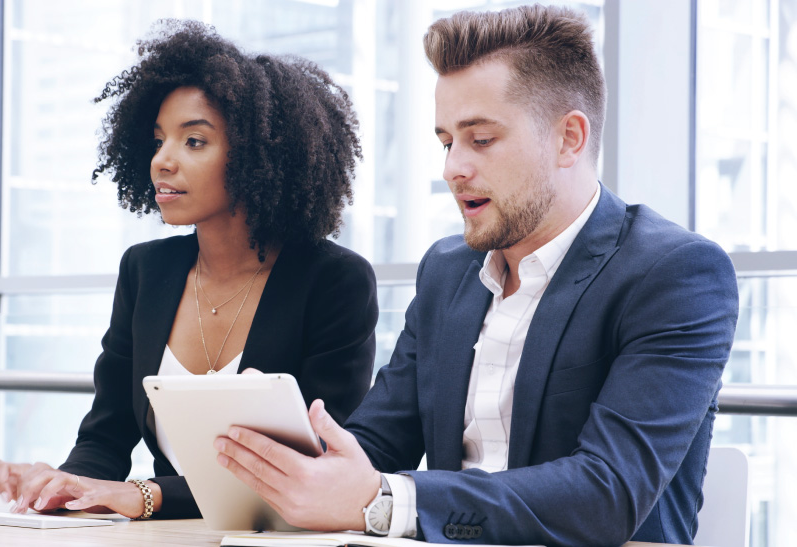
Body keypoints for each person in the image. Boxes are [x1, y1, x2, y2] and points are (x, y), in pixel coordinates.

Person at [215, 5, 739, 546]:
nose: (452, 168)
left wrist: (384, 499)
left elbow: (606, 495)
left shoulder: (674, 274)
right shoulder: (447, 272)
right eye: (446, 142)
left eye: (481, 139)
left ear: (569, 139)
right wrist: (276, 445)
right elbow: (374, 443)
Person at [0, 20, 378, 521]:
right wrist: (59, 487)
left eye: (194, 142)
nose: (162, 160)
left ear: (259, 157)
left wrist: (147, 495)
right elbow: (105, 435)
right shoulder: (145, 270)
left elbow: (312, 465)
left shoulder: (334, 282)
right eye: (159, 140)